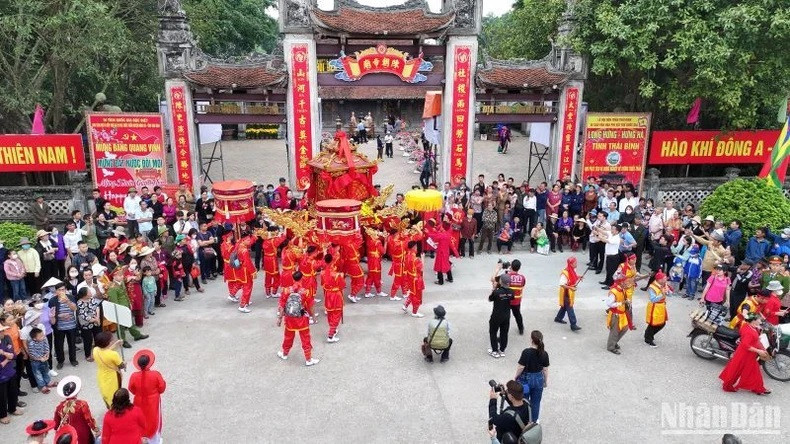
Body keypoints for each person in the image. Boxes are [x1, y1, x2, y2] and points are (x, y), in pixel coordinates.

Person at [719, 313, 771, 395]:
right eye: (759, 319)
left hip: (748, 354)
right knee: (737, 370)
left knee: (753, 371)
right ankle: (728, 385)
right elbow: (746, 346)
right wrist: (759, 351)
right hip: (745, 355)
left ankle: (758, 388)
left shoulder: (750, 326)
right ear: (754, 321)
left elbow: (754, 341)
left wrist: (761, 348)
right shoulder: (749, 331)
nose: (760, 320)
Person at [277, 272, 320, 366]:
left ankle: (284, 354)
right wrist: (313, 317)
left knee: (288, 337)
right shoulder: (306, 291)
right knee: (305, 338)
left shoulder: (286, 290)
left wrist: (280, 318)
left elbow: (281, 305)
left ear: (292, 279)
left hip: (289, 319)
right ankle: (308, 359)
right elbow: (310, 306)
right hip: (302, 319)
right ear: (302, 278)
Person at [128, 349, 166, 444]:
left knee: (139, 419)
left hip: (138, 400)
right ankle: (154, 441)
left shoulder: (134, 376)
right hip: (153, 400)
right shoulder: (155, 374)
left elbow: (131, 388)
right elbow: (162, 388)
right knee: (154, 420)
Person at [106, 268, 149, 347]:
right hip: (120, 309)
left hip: (126, 306)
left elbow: (125, 294)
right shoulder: (112, 288)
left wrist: (129, 303)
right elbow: (114, 302)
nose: (122, 277)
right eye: (119, 275)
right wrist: (119, 310)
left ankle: (137, 335)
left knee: (130, 322)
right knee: (121, 326)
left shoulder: (121, 282)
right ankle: (122, 341)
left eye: (122, 275)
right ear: (114, 276)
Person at [515, 331, 549, 422]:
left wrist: (516, 377)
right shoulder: (544, 353)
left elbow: (521, 367)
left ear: (531, 339)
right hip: (538, 380)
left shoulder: (526, 352)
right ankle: (534, 421)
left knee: (524, 400)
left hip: (525, 380)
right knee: (536, 402)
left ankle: (524, 420)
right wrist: (545, 381)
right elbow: (545, 370)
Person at [54, 376, 99, 444]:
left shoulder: (59, 407)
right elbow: (89, 420)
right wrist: (96, 430)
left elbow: (56, 425)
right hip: (83, 433)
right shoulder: (82, 404)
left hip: (68, 435)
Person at [47, 282, 78, 369]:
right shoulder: (52, 300)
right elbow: (50, 314)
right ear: (56, 291)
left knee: (72, 343)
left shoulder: (71, 297)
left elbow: (74, 309)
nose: (61, 291)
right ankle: (60, 361)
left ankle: (73, 359)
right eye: (59, 290)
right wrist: (60, 315)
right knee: (59, 344)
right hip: (59, 327)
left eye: (63, 289)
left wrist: (67, 301)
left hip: (71, 325)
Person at [0, 322, 25, 424]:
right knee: (1, 396)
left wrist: (5, 355)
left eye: (3, 330)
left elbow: (13, 355)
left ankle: (12, 408)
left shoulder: (6, 338)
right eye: (1, 331)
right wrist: (7, 357)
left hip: (10, 371)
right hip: (1, 376)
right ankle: (2, 415)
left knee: (13, 391)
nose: (3, 332)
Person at [92, 331, 124, 408]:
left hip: (101, 376)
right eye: (111, 340)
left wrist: (116, 344)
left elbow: (105, 351)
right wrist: (124, 363)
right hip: (113, 377)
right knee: (115, 394)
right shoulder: (113, 354)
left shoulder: (95, 350)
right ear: (108, 343)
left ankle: (109, 407)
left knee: (106, 394)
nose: (112, 340)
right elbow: (121, 366)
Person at [488, 274, 514, 358]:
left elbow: (489, 299)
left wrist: (494, 288)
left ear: (501, 282)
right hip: (506, 315)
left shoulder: (497, 292)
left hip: (496, 316)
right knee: (504, 333)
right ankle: (502, 350)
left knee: (493, 332)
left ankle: (495, 350)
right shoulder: (511, 292)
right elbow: (512, 298)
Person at [606, 278, 633, 354]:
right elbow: (609, 304)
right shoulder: (614, 292)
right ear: (621, 283)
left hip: (622, 313)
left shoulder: (623, 289)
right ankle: (611, 346)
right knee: (615, 331)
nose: (628, 283)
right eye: (627, 282)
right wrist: (621, 303)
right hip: (616, 314)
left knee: (625, 328)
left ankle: (614, 341)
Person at [555, 257, 582, 331]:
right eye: (575, 263)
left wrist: (579, 277)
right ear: (571, 264)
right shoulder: (565, 273)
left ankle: (558, 318)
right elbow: (561, 284)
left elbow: (573, 277)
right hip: (566, 293)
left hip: (569, 292)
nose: (576, 264)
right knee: (570, 307)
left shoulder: (573, 270)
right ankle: (573, 324)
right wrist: (570, 288)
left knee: (565, 306)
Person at [644, 271, 669, 347]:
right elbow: (653, 299)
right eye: (664, 278)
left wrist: (667, 291)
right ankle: (648, 338)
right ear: (659, 279)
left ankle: (648, 334)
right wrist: (663, 294)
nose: (666, 279)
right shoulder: (652, 287)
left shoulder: (663, 284)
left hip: (661, 306)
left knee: (662, 323)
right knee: (653, 324)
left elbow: (669, 293)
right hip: (654, 307)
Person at [25, 328, 54, 393]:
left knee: (46, 371)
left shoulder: (44, 339)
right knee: (38, 375)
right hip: (35, 362)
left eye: (43, 335)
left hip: (44, 359)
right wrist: (40, 359)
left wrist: (47, 355)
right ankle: (42, 386)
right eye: (40, 336)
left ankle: (48, 382)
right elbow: (32, 354)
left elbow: (47, 347)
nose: (43, 337)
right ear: (34, 338)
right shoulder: (31, 344)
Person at [507, 260, 526, 335]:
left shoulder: (507, 276)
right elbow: (523, 285)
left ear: (511, 266)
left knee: (506, 317)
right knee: (518, 315)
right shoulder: (522, 278)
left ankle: (504, 332)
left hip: (507, 300)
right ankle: (521, 329)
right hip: (517, 301)